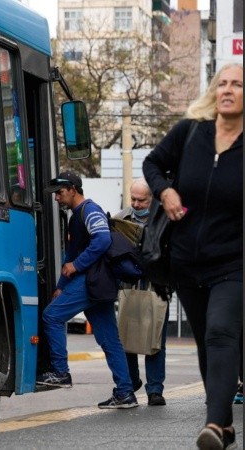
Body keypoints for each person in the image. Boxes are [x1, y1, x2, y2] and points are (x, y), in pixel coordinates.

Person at [142, 62, 243, 450]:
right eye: (223, 84)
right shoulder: (190, 132)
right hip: (185, 260)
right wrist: (165, 190)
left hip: (234, 262)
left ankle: (214, 425)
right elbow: (152, 164)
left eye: (237, 84)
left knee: (220, 333)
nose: (228, 90)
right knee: (205, 339)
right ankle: (226, 422)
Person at [36, 172, 138, 409]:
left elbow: (102, 240)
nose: (56, 198)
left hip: (91, 280)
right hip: (95, 283)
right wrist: (61, 287)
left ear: (73, 189)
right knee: (110, 341)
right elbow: (70, 255)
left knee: (51, 316)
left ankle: (61, 372)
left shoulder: (90, 210)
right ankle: (125, 393)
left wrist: (77, 266)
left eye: (60, 193)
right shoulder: (75, 217)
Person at [113, 178, 168, 407]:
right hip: (128, 286)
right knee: (126, 335)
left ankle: (155, 389)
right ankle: (132, 380)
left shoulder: (165, 219)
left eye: (141, 200)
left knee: (155, 338)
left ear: (152, 199)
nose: (136, 204)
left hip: (156, 286)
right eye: (133, 198)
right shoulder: (118, 219)